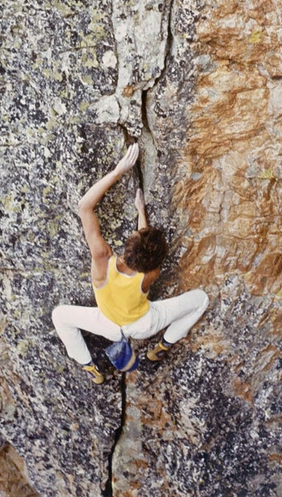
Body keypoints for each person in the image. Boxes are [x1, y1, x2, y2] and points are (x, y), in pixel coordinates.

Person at [52, 144, 209, 384]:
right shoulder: (150, 274)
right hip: (142, 325)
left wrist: (117, 172)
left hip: (108, 325)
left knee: (60, 316)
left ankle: (88, 366)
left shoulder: (102, 260)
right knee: (201, 300)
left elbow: (85, 207)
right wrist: (141, 210)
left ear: (128, 245)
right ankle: (163, 345)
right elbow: (144, 252)